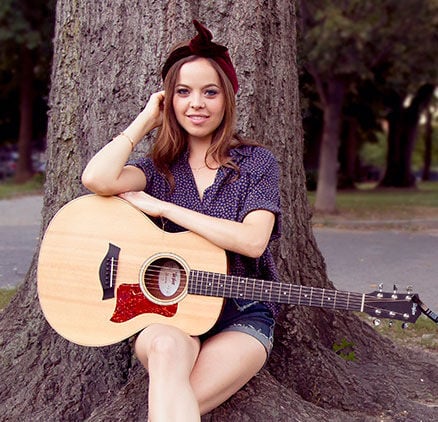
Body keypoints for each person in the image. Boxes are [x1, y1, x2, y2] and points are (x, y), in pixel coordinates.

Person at [82, 20, 281, 421]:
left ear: (226, 100)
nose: (196, 104)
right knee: (168, 355)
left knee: (174, 405)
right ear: (168, 101)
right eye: (183, 92)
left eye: (210, 92)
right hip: (168, 313)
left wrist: (167, 209)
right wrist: (144, 121)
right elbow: (96, 179)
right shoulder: (157, 170)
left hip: (240, 313)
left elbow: (252, 241)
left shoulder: (256, 163)